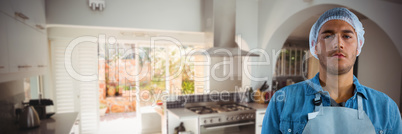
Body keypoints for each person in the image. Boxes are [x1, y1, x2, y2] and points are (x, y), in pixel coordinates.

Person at [261, 7, 402, 134]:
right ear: (315, 46)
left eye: (347, 36)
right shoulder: (282, 103)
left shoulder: (387, 109)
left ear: (358, 46)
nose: (338, 43)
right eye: (328, 36)